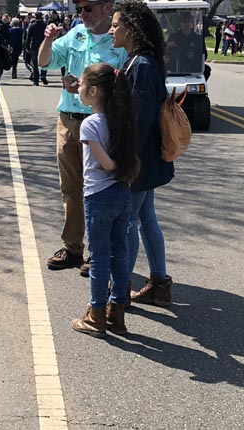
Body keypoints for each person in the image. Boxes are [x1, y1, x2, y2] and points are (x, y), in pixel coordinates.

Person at [37, 0, 128, 274]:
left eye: (89, 8)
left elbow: (124, 88)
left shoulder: (119, 43)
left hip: (102, 126)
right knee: (71, 188)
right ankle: (74, 248)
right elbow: (45, 62)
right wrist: (48, 40)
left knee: (99, 189)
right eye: (80, 9)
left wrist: (92, 90)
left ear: (106, 8)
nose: (83, 13)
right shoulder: (75, 35)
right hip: (69, 121)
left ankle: (98, 253)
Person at [110, 0, 175, 307]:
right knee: (146, 218)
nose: (111, 30)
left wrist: (126, 160)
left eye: (115, 25)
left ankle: (119, 292)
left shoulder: (143, 65)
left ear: (131, 29)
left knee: (127, 222)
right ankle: (159, 283)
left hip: (139, 161)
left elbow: (140, 119)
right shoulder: (138, 61)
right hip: (144, 160)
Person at [70, 63, 139, 338]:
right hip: (123, 194)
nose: (79, 88)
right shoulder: (121, 118)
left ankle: (96, 314)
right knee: (119, 253)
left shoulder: (90, 124)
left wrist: (115, 164)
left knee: (98, 258)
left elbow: (107, 164)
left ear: (95, 91)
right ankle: (116, 312)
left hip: (98, 196)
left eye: (82, 84)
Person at [24, 12, 48, 85]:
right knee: (45, 62)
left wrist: (27, 47)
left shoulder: (32, 26)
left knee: (35, 64)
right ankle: (43, 75)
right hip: (44, 45)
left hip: (35, 46)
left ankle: (36, 80)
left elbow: (28, 38)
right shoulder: (45, 25)